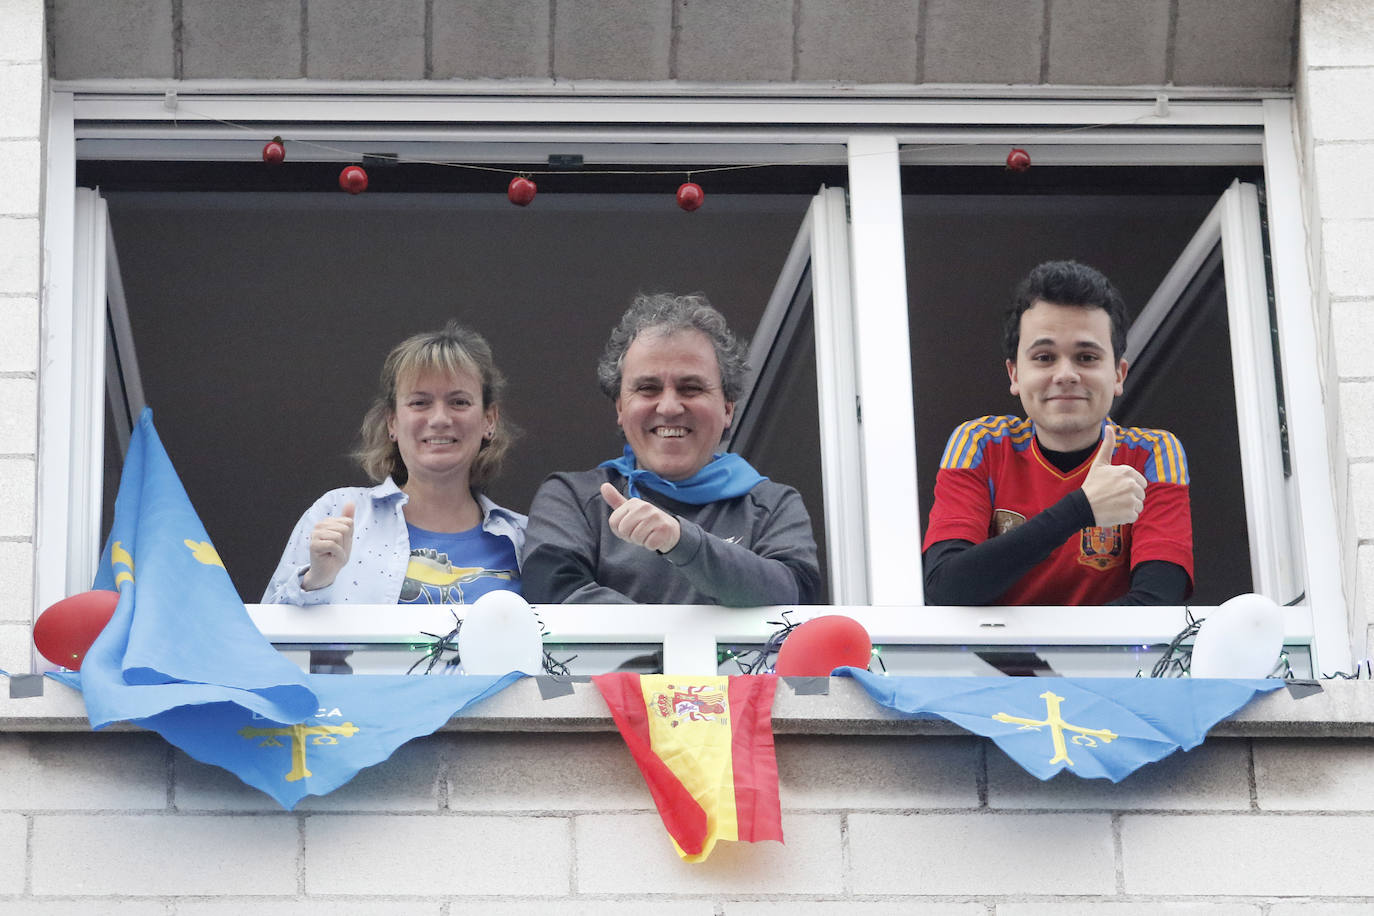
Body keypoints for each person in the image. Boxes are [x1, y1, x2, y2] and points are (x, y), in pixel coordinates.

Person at [522, 293, 821, 606]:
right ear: (621, 407)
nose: (668, 407)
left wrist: (681, 542)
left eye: (691, 388)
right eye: (648, 388)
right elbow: (552, 598)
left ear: (728, 409)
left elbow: (795, 600)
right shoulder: (571, 497)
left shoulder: (773, 505)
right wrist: (668, 652)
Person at [923, 260, 1193, 606]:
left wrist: (1063, 658)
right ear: (1015, 374)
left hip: (1110, 662)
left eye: (1086, 357)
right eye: (1045, 357)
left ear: (1118, 375)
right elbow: (947, 589)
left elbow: (1158, 603)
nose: (1066, 374)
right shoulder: (980, 443)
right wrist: (1082, 509)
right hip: (989, 661)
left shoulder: (1153, 453)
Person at [263, 321, 525, 607]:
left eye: (459, 402)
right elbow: (262, 642)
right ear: (392, 422)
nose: (439, 419)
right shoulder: (335, 512)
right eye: (419, 403)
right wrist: (315, 581)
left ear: (489, 420)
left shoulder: (525, 538)